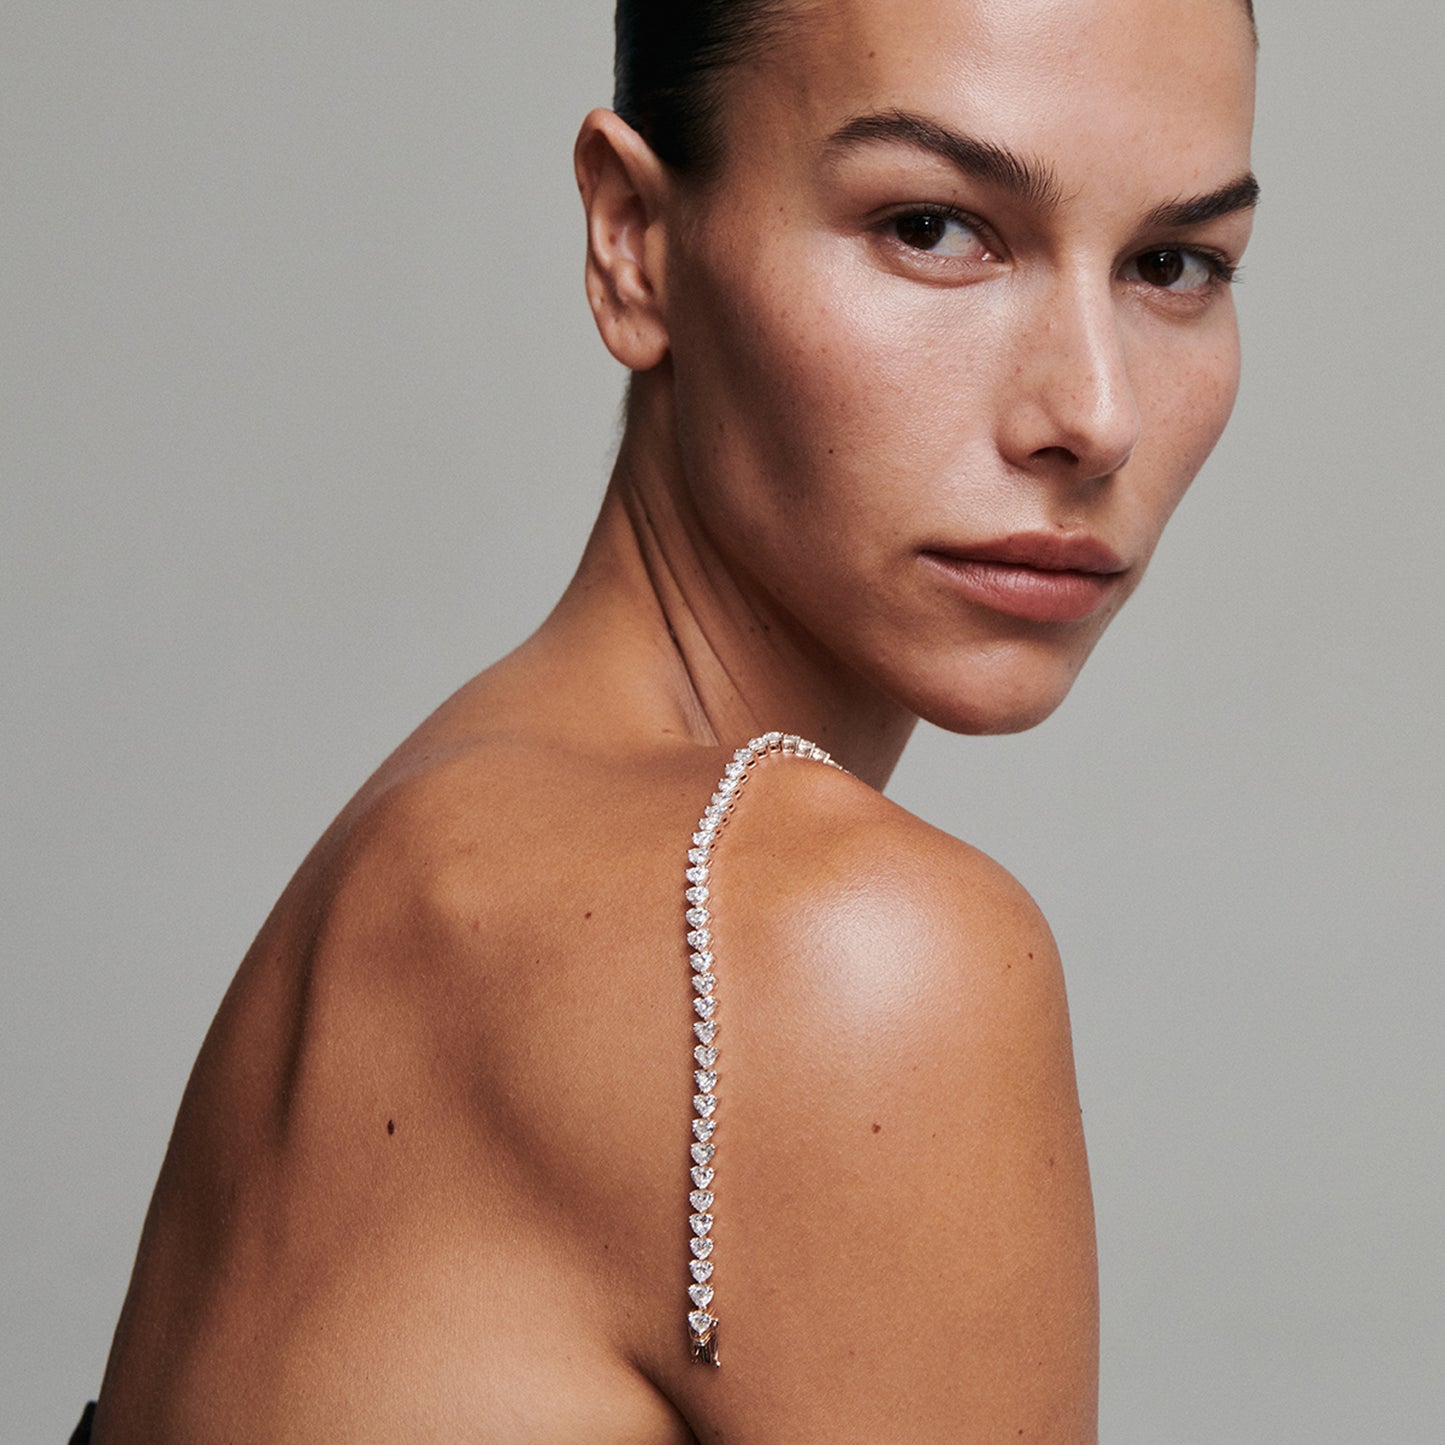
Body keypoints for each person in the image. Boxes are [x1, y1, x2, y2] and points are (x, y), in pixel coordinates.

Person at [83, 0, 1257, 1438]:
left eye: (1174, 264)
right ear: (634, 240)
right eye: (933, 229)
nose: (1095, 413)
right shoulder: (828, 946)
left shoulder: (417, 844)